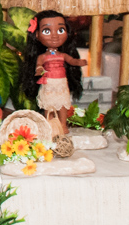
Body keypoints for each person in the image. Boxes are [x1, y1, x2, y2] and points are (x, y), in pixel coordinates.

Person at [18, 11, 86, 139]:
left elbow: (71, 61)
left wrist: (78, 62)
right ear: (37, 35)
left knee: (62, 104)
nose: (55, 36)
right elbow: (39, 65)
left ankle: (63, 124)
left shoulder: (62, 55)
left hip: (61, 83)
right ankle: (48, 124)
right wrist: (38, 70)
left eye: (60, 30)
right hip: (49, 83)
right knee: (49, 105)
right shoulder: (43, 57)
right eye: (47, 31)